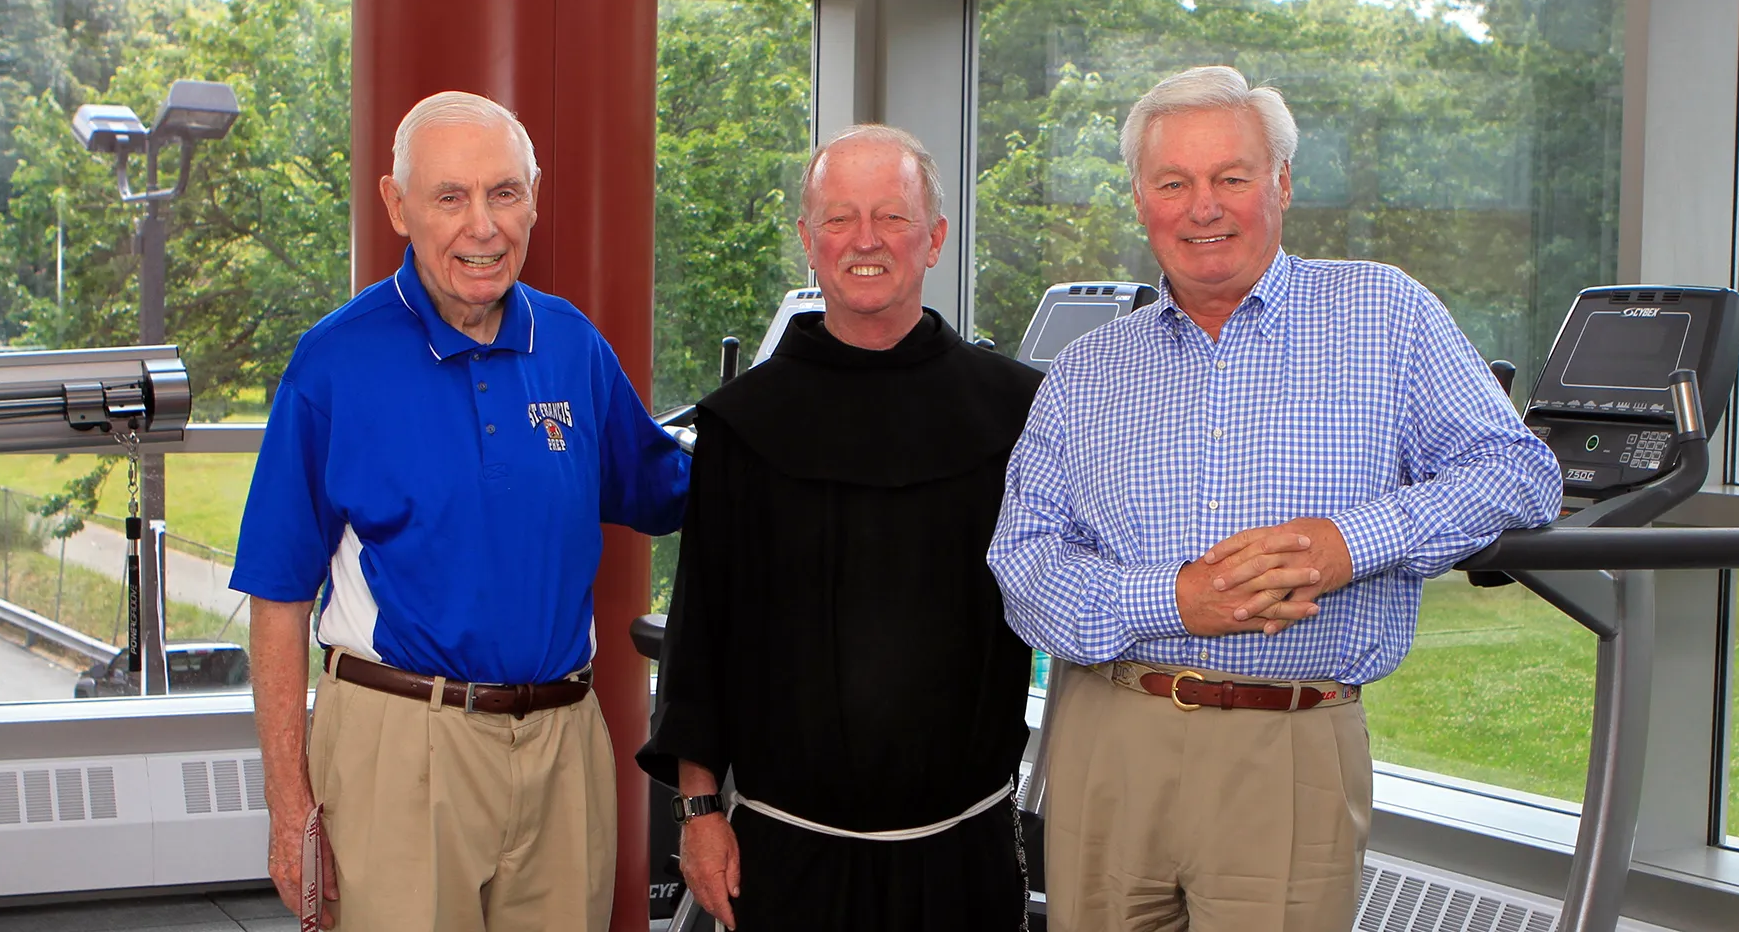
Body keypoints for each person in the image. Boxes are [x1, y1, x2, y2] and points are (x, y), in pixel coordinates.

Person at [988, 65, 1563, 932]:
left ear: (1283, 184)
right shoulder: (1086, 370)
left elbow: (1520, 471)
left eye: (1231, 177)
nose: (1202, 206)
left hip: (1287, 741)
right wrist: (1175, 596)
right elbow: (1023, 563)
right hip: (1107, 738)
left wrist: (1349, 543)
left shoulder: (1386, 314)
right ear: (1141, 201)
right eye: (1173, 182)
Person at [232, 90, 690, 932]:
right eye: (450, 197)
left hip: (562, 743)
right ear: (396, 205)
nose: (482, 226)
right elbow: (278, 594)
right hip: (400, 744)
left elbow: (668, 489)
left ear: (535, 199)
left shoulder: (572, 345)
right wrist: (287, 799)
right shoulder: (333, 363)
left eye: (504, 193)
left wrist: (783, 442)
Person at [637, 125, 1043, 931]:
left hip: (961, 854)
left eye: (892, 217)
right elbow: (701, 635)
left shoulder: (1017, 410)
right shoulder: (743, 424)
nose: (865, 240)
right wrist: (699, 815)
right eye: (839, 218)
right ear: (807, 243)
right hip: (789, 855)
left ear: (934, 239)